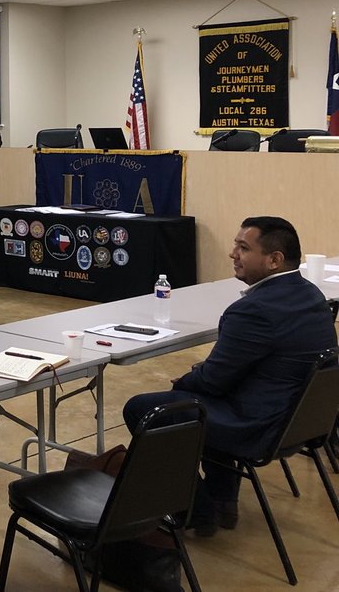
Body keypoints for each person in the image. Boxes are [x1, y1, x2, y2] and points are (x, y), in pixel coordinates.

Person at [123, 216, 336, 536]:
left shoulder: (254, 310)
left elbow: (213, 381)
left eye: (243, 247)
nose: (232, 254)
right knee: (203, 400)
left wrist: (183, 382)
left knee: (146, 408)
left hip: (260, 427)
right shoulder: (311, 295)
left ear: (274, 260)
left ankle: (199, 508)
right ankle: (223, 501)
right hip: (299, 423)